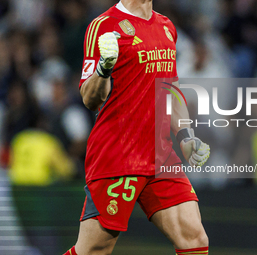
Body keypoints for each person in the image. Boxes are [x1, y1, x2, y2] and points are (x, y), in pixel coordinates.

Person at [63, 1, 210, 254]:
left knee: (194, 238)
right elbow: (89, 98)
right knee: (93, 250)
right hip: (118, 155)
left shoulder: (166, 26)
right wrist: (103, 68)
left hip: (159, 155)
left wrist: (185, 135)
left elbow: (169, 89)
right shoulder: (103, 26)